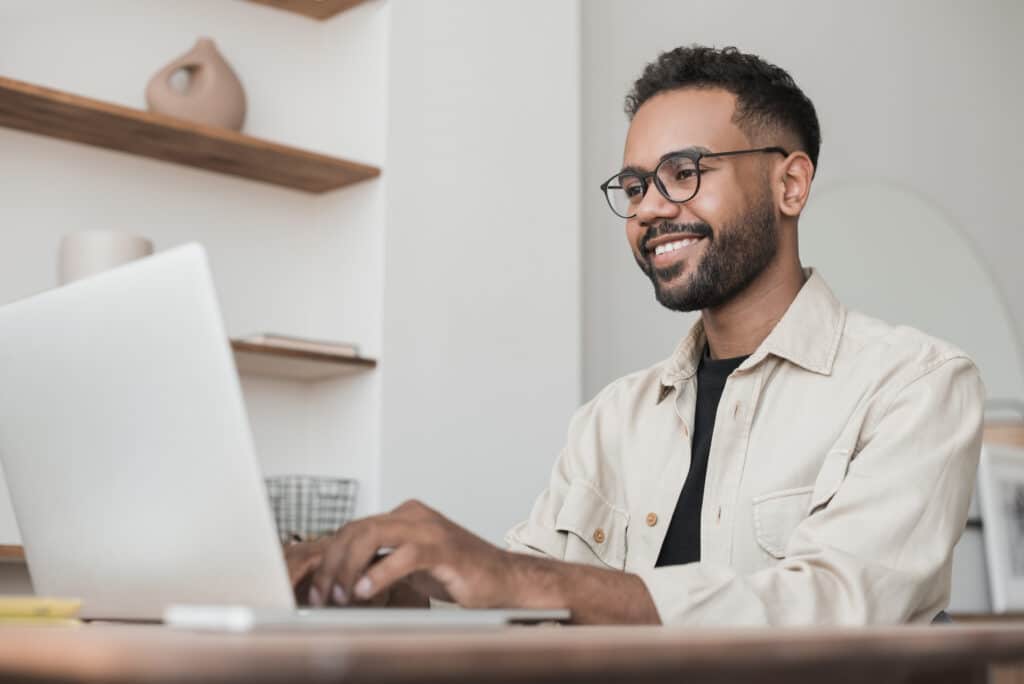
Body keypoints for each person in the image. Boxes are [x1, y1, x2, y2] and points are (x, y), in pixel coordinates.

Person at [286, 45, 984, 625]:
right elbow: (514, 613)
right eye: (634, 184)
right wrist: (383, 583)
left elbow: (839, 608)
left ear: (791, 185)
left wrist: (519, 579)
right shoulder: (611, 420)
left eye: (683, 174)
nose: (649, 208)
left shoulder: (914, 385)